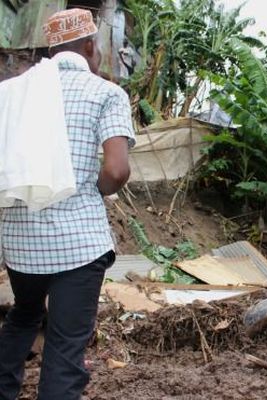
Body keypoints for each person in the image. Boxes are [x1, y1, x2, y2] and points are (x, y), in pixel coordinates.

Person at [0, 8, 135, 400]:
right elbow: (117, 170)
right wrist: (92, 189)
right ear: (91, 47)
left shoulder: (13, 92)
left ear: (51, 48)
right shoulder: (106, 93)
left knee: (24, 315)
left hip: (21, 243)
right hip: (77, 244)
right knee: (64, 344)